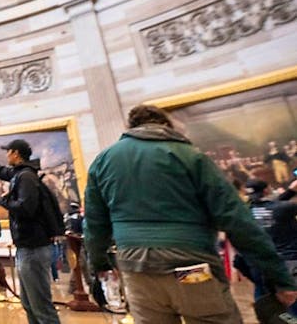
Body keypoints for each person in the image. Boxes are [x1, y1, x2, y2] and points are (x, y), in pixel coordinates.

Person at [83, 104, 297, 324]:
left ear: (130, 127)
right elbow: (237, 220)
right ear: (166, 125)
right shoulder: (189, 156)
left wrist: (99, 264)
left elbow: (94, 223)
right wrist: (279, 278)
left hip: (136, 268)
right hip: (189, 267)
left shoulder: (103, 161)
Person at [0, 140, 61, 324]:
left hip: (34, 248)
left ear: (16, 154)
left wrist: (4, 201)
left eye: (8, 152)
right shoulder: (20, 174)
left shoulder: (26, 177)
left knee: (41, 307)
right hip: (28, 248)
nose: (7, 155)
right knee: (29, 303)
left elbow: (26, 208)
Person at [242, 179, 297, 313]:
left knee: (266, 301)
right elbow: (276, 207)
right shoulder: (284, 208)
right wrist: (290, 191)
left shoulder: (246, 211)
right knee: (292, 301)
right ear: (266, 190)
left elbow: (270, 207)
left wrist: (290, 192)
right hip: (288, 261)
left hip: (259, 263)